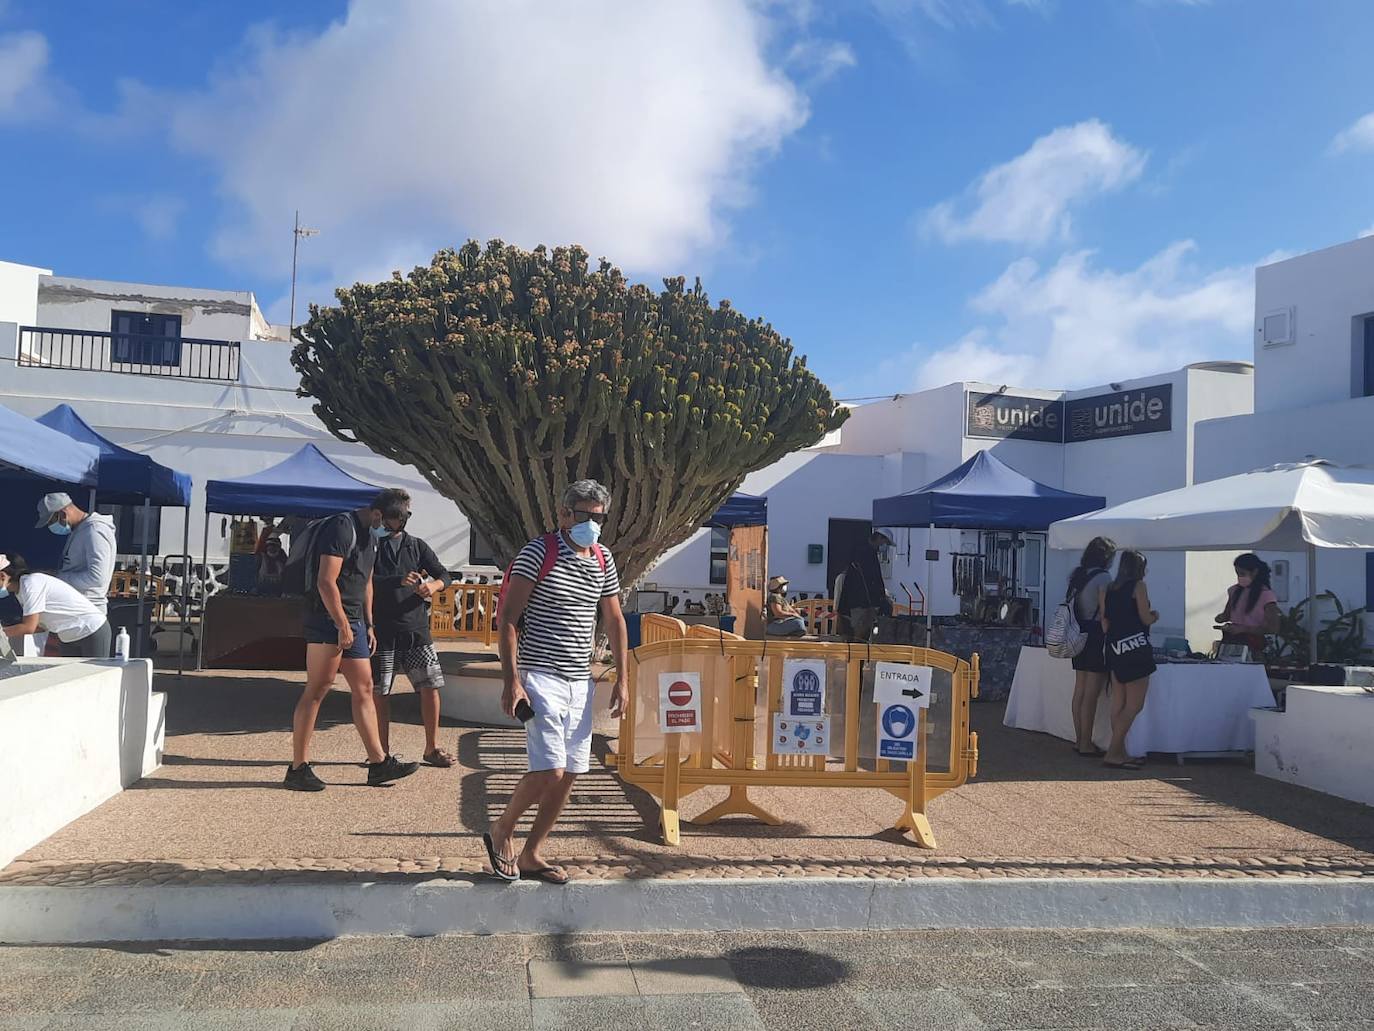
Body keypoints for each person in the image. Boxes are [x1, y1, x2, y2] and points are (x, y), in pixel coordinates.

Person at [484, 480, 629, 885]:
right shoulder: (538, 552)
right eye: (583, 515)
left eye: (599, 517)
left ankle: (532, 853)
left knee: (569, 774)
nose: (591, 524)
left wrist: (622, 679)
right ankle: (502, 829)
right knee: (550, 769)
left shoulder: (602, 558)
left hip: (579, 681)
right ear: (563, 515)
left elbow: (614, 619)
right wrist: (511, 681)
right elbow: (509, 619)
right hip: (540, 676)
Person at [284, 490, 419, 792]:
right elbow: (325, 580)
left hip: (355, 622)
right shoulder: (341, 528)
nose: (390, 532)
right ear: (376, 514)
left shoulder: (371, 536)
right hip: (327, 620)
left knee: (364, 688)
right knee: (318, 688)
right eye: (390, 525)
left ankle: (378, 763)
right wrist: (341, 623)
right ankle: (298, 768)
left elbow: (365, 581)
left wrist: (367, 624)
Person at [369, 489, 455, 767]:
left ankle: (432, 747)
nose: (398, 521)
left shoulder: (416, 546)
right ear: (382, 515)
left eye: (404, 516)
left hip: (416, 628)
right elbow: (363, 580)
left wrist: (433, 586)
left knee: (430, 687)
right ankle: (380, 753)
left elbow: (444, 575)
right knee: (380, 691)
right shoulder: (369, 545)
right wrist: (397, 580)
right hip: (381, 629)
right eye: (394, 516)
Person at [1101, 550, 1158, 770]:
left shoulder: (1109, 588)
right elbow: (1145, 617)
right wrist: (1155, 616)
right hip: (1136, 647)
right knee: (1134, 705)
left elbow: (1105, 621)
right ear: (1138, 568)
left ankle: (1120, 751)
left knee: (1119, 702)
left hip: (1115, 646)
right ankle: (1114, 752)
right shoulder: (1138, 587)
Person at [0, 554, 111, 657]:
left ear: (2, 576)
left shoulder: (31, 583)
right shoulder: (20, 591)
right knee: (69, 677)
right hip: (67, 637)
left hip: (91, 629)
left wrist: (3, 633)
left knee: (97, 676)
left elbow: (29, 627)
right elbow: (40, 626)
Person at [34, 493, 116, 632]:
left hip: (89, 616)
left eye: (51, 522)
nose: (50, 527)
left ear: (63, 514)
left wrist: (58, 577)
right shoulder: (81, 530)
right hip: (76, 615)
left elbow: (97, 578)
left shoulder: (95, 531)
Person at [1066, 536, 1116, 757]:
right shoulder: (1104, 577)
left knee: (1080, 690)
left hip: (1078, 633)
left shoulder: (1078, 575)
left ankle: (1079, 740)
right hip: (1096, 635)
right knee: (1091, 694)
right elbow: (1107, 611)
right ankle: (1086, 742)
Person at [1215, 553, 1280, 657]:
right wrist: (1220, 619)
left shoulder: (1266, 595)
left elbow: (1273, 628)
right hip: (1231, 642)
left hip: (1254, 645)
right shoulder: (1234, 591)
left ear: (1254, 572)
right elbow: (1226, 615)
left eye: (1242, 573)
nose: (1240, 577)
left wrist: (1244, 629)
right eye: (1237, 574)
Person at [840, 530, 893, 641]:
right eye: (884, 542)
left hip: (866, 602)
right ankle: (856, 654)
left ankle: (859, 654)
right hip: (859, 602)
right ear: (879, 537)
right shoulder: (862, 552)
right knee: (859, 631)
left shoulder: (869, 552)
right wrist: (877, 598)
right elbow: (869, 579)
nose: (884, 546)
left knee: (865, 632)